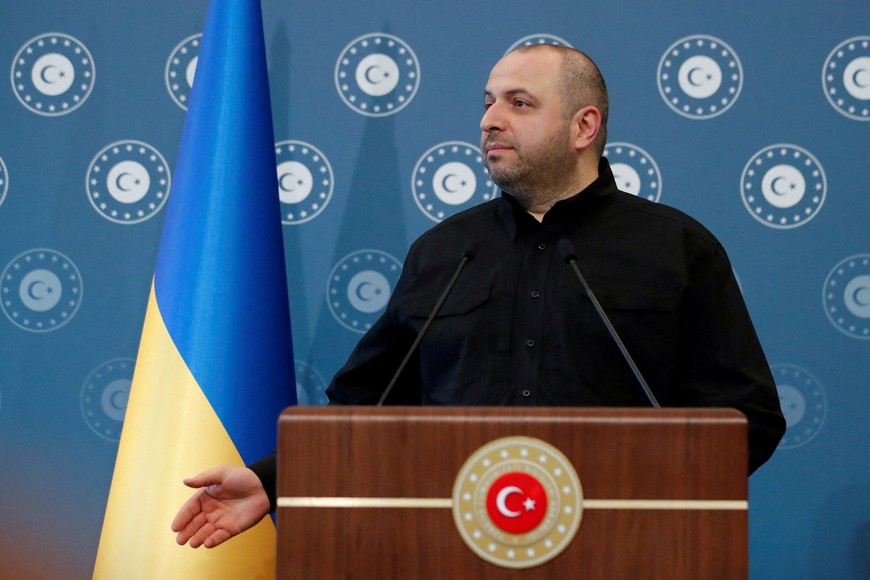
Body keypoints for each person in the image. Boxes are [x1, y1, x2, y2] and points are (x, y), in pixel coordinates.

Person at [172, 44, 785, 549]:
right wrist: (270, 481)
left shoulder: (676, 248)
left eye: (519, 102)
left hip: (624, 550)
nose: (491, 119)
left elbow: (747, 419)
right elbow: (363, 409)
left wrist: (642, 495)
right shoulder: (444, 253)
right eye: (488, 101)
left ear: (584, 127)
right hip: (449, 550)